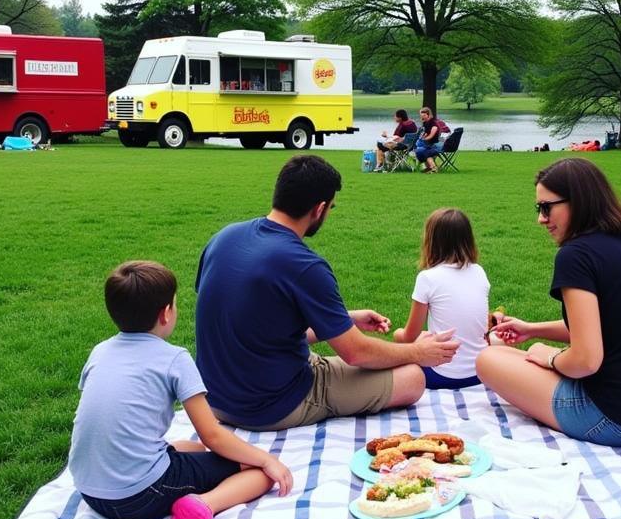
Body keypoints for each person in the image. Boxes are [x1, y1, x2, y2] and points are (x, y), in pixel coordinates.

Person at [194, 155, 459, 430]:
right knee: (412, 377)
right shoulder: (304, 265)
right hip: (272, 405)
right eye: (331, 207)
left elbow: (254, 327)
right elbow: (356, 353)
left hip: (216, 401)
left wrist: (346, 319)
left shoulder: (224, 238)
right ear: (319, 209)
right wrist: (418, 351)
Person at [477, 158, 621, 447]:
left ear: (579, 201)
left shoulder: (576, 256)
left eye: (547, 207)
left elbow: (585, 361)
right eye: (538, 209)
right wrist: (533, 329)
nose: (541, 219)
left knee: (489, 359)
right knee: (511, 354)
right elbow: (613, 323)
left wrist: (548, 356)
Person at [68, 261, 292, 519]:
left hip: (90, 491)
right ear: (166, 314)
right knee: (260, 473)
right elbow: (212, 434)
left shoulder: (99, 352)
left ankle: (185, 485)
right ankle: (202, 505)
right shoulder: (174, 359)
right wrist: (265, 458)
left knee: (191, 447)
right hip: (139, 494)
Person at [393, 208, 489, 389]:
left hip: (440, 374)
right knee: (427, 336)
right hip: (480, 372)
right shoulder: (479, 272)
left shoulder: (428, 278)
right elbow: (479, 325)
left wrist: (396, 334)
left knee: (404, 349)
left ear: (431, 241)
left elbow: (408, 336)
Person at [415, 105, 445, 173]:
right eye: (421, 115)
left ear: (428, 115)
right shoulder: (425, 123)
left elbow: (431, 136)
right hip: (428, 144)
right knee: (419, 149)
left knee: (422, 151)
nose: (422, 117)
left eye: (424, 115)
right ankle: (430, 167)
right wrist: (421, 137)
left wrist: (423, 139)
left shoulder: (433, 124)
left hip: (435, 145)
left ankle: (433, 168)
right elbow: (425, 134)